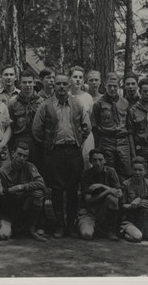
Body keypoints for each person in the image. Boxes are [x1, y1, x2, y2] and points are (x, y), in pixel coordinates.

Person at [32, 73, 91, 238]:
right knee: (57, 189)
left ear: (69, 85)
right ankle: (59, 224)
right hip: (54, 152)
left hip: (73, 151)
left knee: (73, 189)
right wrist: (48, 144)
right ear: (54, 86)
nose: (62, 87)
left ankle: (71, 224)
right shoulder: (46, 105)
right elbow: (36, 130)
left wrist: (79, 140)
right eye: (58, 84)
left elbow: (87, 125)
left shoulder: (77, 104)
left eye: (65, 84)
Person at [0, 143, 47, 242]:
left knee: (38, 194)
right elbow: (2, 197)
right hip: (8, 211)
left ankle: (31, 229)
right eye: (19, 154)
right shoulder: (2, 171)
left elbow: (41, 183)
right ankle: (13, 226)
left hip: (23, 207)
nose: (22, 158)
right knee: (4, 235)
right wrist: (23, 193)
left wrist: (21, 187)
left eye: (25, 156)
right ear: (12, 153)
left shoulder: (29, 167)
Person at [91, 72, 134, 181]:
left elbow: (129, 127)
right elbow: (95, 128)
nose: (112, 88)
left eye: (115, 86)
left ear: (119, 86)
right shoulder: (98, 104)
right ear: (104, 85)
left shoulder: (125, 103)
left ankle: (124, 196)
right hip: (106, 141)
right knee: (108, 172)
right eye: (109, 86)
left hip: (122, 142)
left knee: (126, 171)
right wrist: (97, 148)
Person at [77, 149, 121, 241]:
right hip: (90, 212)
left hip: (105, 213)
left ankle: (110, 230)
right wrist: (108, 191)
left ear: (105, 160)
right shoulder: (86, 175)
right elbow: (88, 200)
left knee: (113, 199)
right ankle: (95, 228)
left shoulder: (111, 171)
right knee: (86, 235)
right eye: (94, 160)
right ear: (90, 161)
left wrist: (102, 186)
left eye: (100, 160)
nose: (97, 163)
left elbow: (119, 193)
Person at [8, 70, 44, 172]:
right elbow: (10, 126)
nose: (27, 85)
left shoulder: (41, 102)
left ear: (33, 83)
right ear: (20, 84)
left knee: (37, 169)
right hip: (20, 140)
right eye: (24, 82)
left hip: (37, 142)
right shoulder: (13, 103)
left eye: (29, 82)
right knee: (20, 170)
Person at [120, 157, 148, 242]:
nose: (137, 172)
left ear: (145, 171)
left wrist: (140, 201)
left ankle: (147, 231)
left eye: (140, 170)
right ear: (131, 170)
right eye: (135, 170)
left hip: (142, 219)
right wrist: (131, 205)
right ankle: (124, 232)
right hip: (128, 219)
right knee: (138, 237)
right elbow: (121, 206)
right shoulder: (126, 184)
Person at [68, 65, 94, 170]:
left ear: (83, 80)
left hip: (86, 135)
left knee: (87, 161)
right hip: (71, 134)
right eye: (75, 77)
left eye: (80, 77)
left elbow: (90, 117)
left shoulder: (88, 97)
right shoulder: (66, 95)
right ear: (70, 79)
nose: (78, 80)